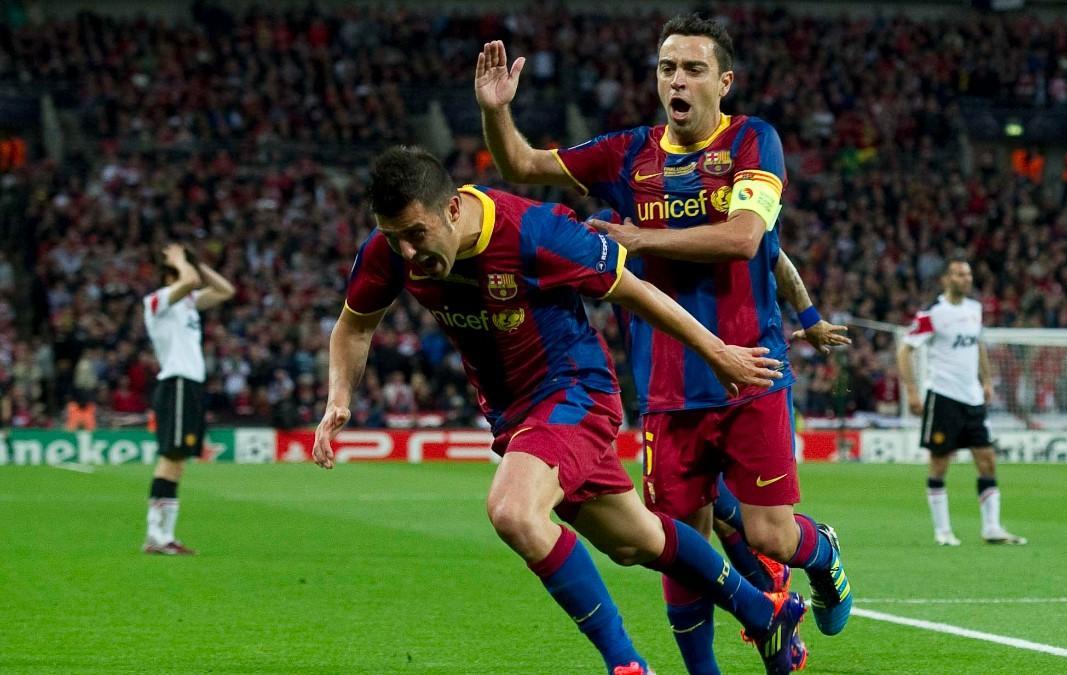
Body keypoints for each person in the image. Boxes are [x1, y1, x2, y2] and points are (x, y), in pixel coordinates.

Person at [312, 145, 806, 675]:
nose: (408, 253)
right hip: (514, 416)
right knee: (635, 540)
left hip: (574, 392)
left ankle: (626, 664)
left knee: (514, 512)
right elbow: (354, 327)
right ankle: (764, 612)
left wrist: (717, 351)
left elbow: (635, 291)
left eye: (416, 234)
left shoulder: (534, 232)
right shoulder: (389, 251)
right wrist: (338, 399)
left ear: (452, 209)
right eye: (394, 238)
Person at [475, 15, 853, 672]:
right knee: (682, 549)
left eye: (693, 69)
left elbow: (746, 239)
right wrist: (495, 112)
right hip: (667, 387)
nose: (677, 80)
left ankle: (824, 556)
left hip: (751, 370)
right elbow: (521, 164)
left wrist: (638, 238)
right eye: (667, 68)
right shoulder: (627, 154)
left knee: (769, 535)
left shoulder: (753, 141)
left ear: (724, 82)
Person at [898, 259, 1028, 547]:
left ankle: (992, 528)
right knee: (940, 463)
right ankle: (943, 531)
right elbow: (905, 350)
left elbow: (978, 344)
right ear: (946, 279)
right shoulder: (933, 313)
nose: (966, 278)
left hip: (973, 398)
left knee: (987, 460)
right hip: (943, 397)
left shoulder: (974, 309)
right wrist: (912, 391)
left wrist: (987, 380)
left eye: (968, 273)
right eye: (959, 274)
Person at [141, 243, 235, 555]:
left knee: (178, 460)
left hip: (191, 385)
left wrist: (198, 263)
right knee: (171, 457)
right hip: (176, 382)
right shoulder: (157, 301)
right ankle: (156, 535)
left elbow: (225, 290)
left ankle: (164, 535)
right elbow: (191, 280)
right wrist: (181, 260)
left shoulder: (189, 303)